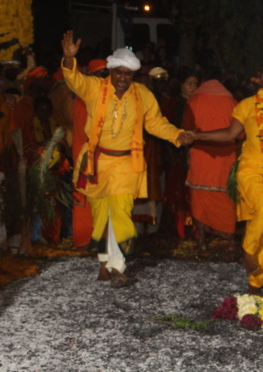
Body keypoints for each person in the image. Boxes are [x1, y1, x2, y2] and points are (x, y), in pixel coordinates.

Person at [61, 31, 192, 287]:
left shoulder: (142, 94)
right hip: (97, 162)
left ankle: (118, 266)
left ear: (133, 75)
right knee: (101, 215)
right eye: (118, 72)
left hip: (125, 164)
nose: (122, 78)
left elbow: (155, 123)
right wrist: (68, 59)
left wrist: (177, 135)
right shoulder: (94, 88)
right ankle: (103, 262)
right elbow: (74, 79)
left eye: (127, 74)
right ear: (111, 71)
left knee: (120, 211)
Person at [191, 63, 263, 294]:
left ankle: (256, 282)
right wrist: (197, 135)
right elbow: (230, 134)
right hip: (252, 170)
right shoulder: (246, 105)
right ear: (260, 79)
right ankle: (248, 250)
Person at [182, 67, 238, 250]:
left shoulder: (195, 100)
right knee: (225, 199)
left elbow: (185, 130)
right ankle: (229, 239)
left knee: (200, 197)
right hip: (225, 159)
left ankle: (202, 240)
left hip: (201, 157)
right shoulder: (231, 100)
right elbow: (241, 133)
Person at [71, 59, 108, 250]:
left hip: (89, 151)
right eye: (102, 74)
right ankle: (87, 238)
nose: (105, 78)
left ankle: (95, 237)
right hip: (87, 152)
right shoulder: (87, 96)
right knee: (86, 195)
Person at [163, 67, 198, 238]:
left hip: (194, 154)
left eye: (195, 84)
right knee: (177, 191)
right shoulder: (173, 104)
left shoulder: (198, 104)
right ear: (182, 86)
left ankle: (193, 227)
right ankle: (178, 229)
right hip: (176, 153)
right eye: (189, 84)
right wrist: (172, 151)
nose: (192, 87)